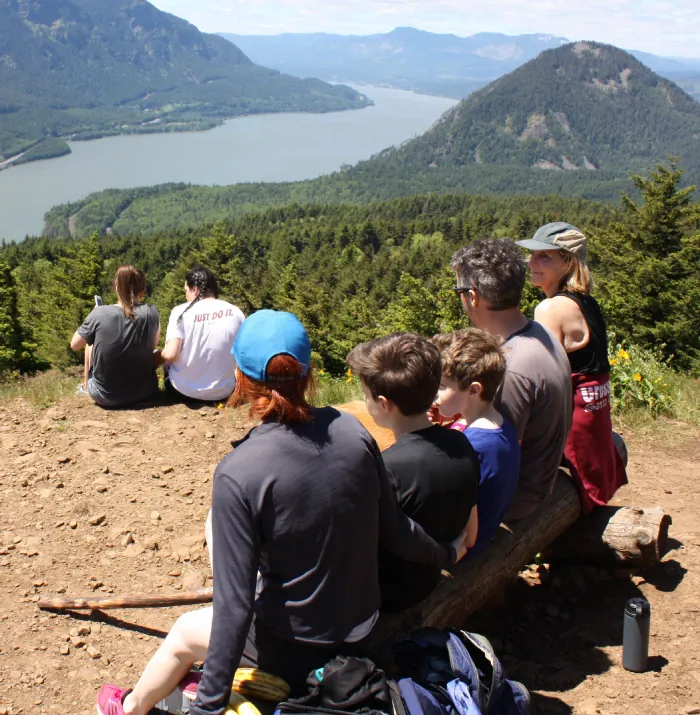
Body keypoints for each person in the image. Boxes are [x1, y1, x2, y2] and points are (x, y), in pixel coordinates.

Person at [97, 310, 468, 715]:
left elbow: (234, 609)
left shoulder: (239, 472)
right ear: (307, 374)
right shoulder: (351, 431)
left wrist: (209, 707)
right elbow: (397, 530)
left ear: (241, 376)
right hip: (362, 623)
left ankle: (130, 707)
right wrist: (447, 553)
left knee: (186, 631)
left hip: (297, 645)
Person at [347, 332, 480, 611]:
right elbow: (471, 534)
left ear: (384, 404)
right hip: (426, 581)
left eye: (366, 396)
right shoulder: (462, 444)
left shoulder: (386, 471)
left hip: (387, 595)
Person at [450, 239, 572, 521]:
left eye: (459, 292)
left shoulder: (511, 367)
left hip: (518, 499)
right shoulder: (539, 334)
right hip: (540, 480)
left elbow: (498, 453)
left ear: (473, 296)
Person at [515, 222, 627, 512]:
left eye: (544, 256)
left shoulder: (550, 309)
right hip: (594, 420)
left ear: (567, 262)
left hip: (572, 425)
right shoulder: (587, 302)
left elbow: (540, 379)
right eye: (532, 255)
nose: (532, 262)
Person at [431, 329, 520, 555]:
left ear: (473, 390)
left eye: (441, 386)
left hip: (462, 547)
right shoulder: (500, 425)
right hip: (484, 531)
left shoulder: (471, 447)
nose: (433, 394)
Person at [70, 265, 160, 408]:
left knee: (90, 339)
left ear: (116, 289)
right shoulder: (152, 312)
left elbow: (74, 345)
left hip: (104, 395)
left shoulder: (99, 313)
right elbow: (151, 347)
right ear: (142, 292)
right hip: (144, 392)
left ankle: (87, 386)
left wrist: (91, 317)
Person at [158, 265, 245, 403]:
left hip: (182, 392)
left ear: (195, 289)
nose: (185, 295)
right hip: (226, 392)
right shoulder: (235, 312)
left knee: (168, 363)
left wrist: (158, 355)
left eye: (186, 290)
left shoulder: (181, 311)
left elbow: (170, 354)